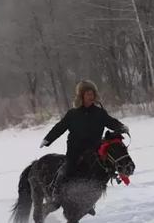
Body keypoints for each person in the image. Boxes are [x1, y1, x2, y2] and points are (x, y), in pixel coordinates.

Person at [40, 80, 129, 209]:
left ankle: (88, 203)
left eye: (92, 94)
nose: (90, 96)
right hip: (75, 151)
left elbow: (111, 122)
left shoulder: (99, 113)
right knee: (67, 169)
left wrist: (121, 127)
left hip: (94, 151)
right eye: (88, 94)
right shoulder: (72, 114)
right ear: (81, 96)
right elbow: (59, 128)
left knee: (100, 173)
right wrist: (48, 139)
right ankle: (56, 194)